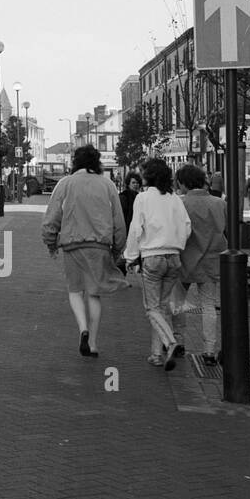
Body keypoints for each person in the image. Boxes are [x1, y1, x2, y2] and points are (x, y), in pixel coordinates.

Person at [40, 145, 126, 360]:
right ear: (97, 162)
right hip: (99, 246)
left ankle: (82, 329)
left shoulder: (65, 184)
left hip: (72, 245)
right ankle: (94, 344)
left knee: (75, 291)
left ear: (75, 162)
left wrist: (51, 242)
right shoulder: (108, 185)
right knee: (94, 293)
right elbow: (119, 222)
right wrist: (117, 249)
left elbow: (51, 218)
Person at [124, 157, 191, 371]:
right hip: (173, 256)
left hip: (153, 256)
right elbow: (187, 226)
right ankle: (156, 354)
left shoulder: (143, 198)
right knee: (161, 307)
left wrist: (131, 256)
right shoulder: (175, 199)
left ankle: (170, 343)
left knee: (152, 307)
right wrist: (176, 243)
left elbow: (136, 229)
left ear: (148, 176)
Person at [176, 164, 226, 366]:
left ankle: (177, 342)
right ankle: (209, 351)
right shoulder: (219, 203)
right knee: (208, 306)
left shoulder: (180, 203)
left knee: (178, 303)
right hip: (211, 261)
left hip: (185, 260)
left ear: (183, 183)